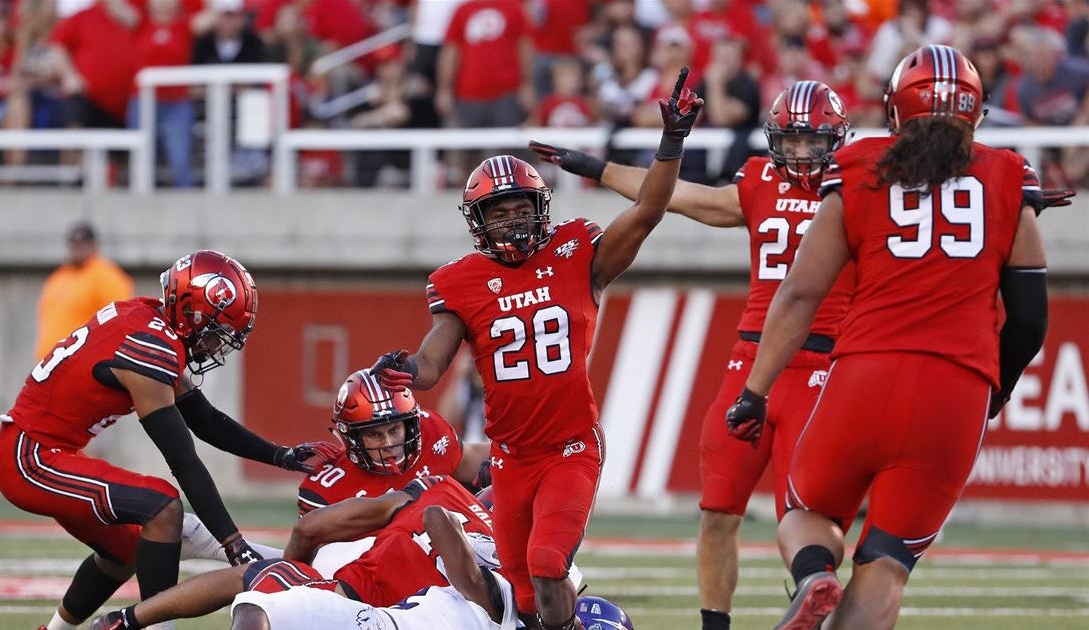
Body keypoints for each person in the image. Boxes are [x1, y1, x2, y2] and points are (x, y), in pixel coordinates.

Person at [724, 45, 1058, 630]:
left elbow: (801, 292)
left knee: (808, 516)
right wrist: (996, 388)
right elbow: (1030, 317)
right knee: (887, 562)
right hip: (955, 390)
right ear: (975, 113)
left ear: (895, 110)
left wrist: (755, 388)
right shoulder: (1007, 173)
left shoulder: (856, 165)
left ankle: (814, 575)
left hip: (865, 374)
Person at [368, 68, 704, 630]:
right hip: (510, 456)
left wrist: (671, 143)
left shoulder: (577, 252)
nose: (514, 220)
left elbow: (647, 211)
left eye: (522, 207)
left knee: (549, 566)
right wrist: (402, 367)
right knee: (524, 593)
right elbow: (430, 364)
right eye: (499, 212)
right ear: (478, 223)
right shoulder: (460, 280)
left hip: (571, 447)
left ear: (541, 207)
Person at [531, 80, 855, 630]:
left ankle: (812, 594)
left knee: (806, 515)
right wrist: (595, 167)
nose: (801, 152)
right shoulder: (758, 182)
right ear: (775, 138)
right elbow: (684, 196)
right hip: (750, 362)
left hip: (824, 362)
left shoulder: (862, 187)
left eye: (812, 140)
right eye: (792, 139)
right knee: (716, 511)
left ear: (838, 139)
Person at [0, 250, 331, 630]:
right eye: (214, 332)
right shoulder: (149, 350)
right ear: (191, 313)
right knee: (162, 507)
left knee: (124, 554)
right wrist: (232, 542)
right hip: (30, 458)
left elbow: (205, 420)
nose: (215, 345)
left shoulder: (148, 320)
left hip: (42, 451)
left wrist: (280, 455)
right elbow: (184, 461)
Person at [88, 475, 499, 629]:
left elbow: (309, 527)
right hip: (414, 612)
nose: (387, 442)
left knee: (258, 583)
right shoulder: (527, 558)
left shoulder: (438, 488)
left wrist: (298, 572)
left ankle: (121, 621)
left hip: (354, 599)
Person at [296, 369, 490, 515]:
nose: (388, 442)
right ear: (352, 437)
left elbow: (472, 459)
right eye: (374, 435)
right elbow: (324, 560)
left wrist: (515, 457)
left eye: (394, 429)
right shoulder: (326, 488)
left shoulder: (431, 433)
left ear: (410, 425)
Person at [34, 222, 134, 360]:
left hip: (82, 364)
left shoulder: (106, 276)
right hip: (50, 366)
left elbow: (120, 321)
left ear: (94, 245)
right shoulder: (59, 276)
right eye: (74, 243)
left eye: (83, 243)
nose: (78, 248)